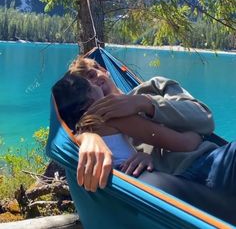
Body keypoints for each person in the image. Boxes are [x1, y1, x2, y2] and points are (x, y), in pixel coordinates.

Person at [66, 56, 236, 197]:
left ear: (104, 70)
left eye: (92, 74)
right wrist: (89, 138)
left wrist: (146, 103)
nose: (94, 83)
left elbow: (205, 119)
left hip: (210, 162)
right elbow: (73, 134)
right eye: (86, 84)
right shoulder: (100, 124)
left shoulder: (155, 86)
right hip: (170, 188)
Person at [52, 71, 202, 186]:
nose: (97, 84)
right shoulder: (112, 117)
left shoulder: (76, 135)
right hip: (144, 181)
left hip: (119, 188)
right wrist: (198, 136)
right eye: (92, 85)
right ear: (91, 100)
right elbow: (185, 144)